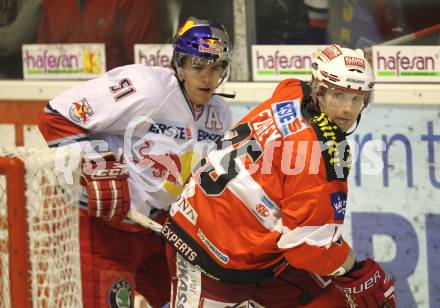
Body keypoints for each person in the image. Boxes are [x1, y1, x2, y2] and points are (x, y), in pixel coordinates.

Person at [163, 44, 396, 307]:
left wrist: (345, 62)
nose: (348, 110)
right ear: (319, 90)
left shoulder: (291, 92)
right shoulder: (322, 155)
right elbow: (307, 247)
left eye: (357, 99)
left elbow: (295, 85)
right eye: (339, 96)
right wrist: (355, 271)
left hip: (247, 243)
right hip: (207, 255)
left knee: (332, 299)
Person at [38, 17, 233, 308]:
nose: (207, 76)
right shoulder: (145, 87)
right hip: (105, 231)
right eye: (198, 66)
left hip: (159, 236)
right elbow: (57, 115)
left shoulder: (220, 114)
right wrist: (98, 165)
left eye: (216, 67)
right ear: (179, 65)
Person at [37, 0, 161, 70]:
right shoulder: (52, 3)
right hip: (57, 94)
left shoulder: (134, 3)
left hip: (112, 99)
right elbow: (39, 61)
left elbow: (144, 68)